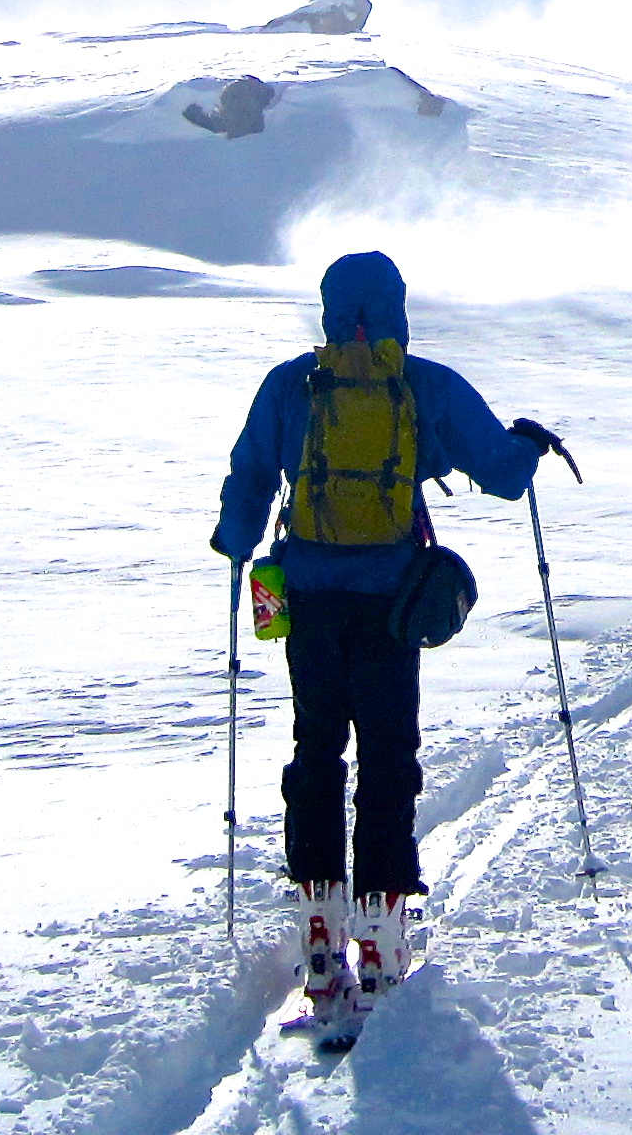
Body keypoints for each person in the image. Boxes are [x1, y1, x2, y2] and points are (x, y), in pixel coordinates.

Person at [211, 250, 564, 1050]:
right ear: (397, 308)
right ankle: (380, 940)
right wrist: (526, 447)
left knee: (317, 750)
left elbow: (248, 477)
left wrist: (238, 544)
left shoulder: (294, 385)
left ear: (332, 310)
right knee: (388, 756)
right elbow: (501, 474)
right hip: (390, 605)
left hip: (306, 597)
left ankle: (317, 931)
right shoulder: (421, 385)